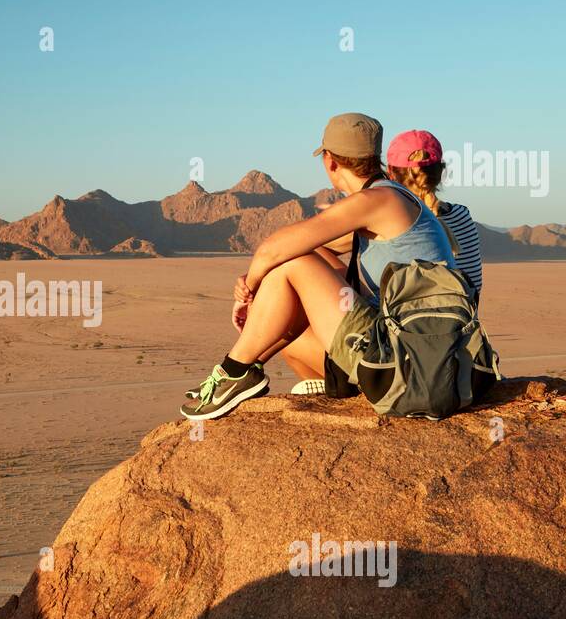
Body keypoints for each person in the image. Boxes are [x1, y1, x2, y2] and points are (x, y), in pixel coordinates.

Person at [180, 112, 456, 420]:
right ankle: (248, 368)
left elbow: (274, 248)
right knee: (300, 258)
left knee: (294, 262)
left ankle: (234, 371)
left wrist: (247, 291)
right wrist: (261, 290)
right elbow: (308, 246)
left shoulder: (378, 200)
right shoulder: (394, 199)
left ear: (330, 161)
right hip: (415, 358)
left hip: (405, 367)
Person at [385, 129, 483, 301]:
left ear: (390, 172)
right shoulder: (462, 215)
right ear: (440, 171)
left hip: (403, 326)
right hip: (462, 325)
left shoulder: (390, 221)